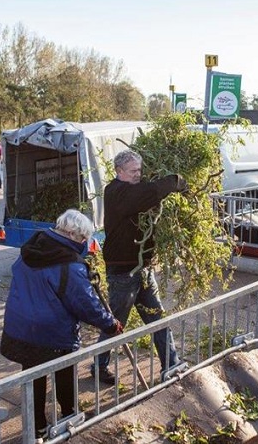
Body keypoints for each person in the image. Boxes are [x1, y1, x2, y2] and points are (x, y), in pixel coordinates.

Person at [0, 209, 122, 440]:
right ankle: (69, 417)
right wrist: (110, 325)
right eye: (84, 238)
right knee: (64, 374)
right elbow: (85, 304)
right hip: (51, 334)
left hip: (21, 327)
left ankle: (36, 428)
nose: (85, 243)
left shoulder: (31, 249)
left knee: (33, 376)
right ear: (73, 235)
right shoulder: (69, 264)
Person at [92, 149, 187, 384]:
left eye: (140, 170)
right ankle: (98, 365)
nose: (138, 174)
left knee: (158, 319)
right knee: (114, 324)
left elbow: (148, 191)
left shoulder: (132, 188)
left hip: (142, 269)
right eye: (133, 171)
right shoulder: (116, 191)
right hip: (123, 272)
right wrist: (174, 181)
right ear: (119, 171)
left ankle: (171, 365)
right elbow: (151, 192)